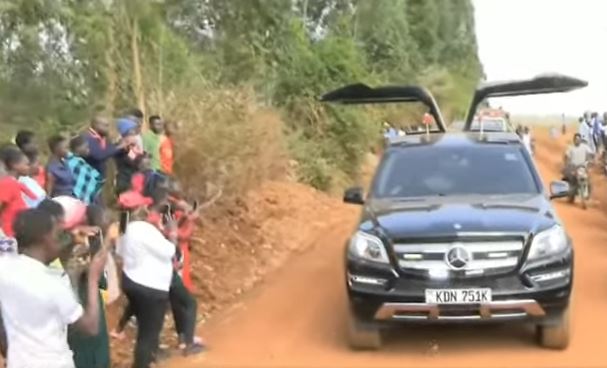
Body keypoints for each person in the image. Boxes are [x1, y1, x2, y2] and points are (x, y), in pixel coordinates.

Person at [0, 208, 107, 368]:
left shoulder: (5, 268)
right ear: (44, 239)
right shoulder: (54, 284)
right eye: (58, 235)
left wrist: (70, 239)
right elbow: (90, 327)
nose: (61, 239)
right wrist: (93, 278)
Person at [117, 191, 176, 368]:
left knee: (145, 330)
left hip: (132, 281)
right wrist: (172, 233)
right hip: (150, 287)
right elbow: (169, 251)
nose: (146, 207)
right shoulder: (143, 229)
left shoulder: (123, 228)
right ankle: (142, 363)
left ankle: (148, 361)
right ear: (139, 208)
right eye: (143, 204)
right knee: (148, 334)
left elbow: (120, 253)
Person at [0, 147, 36, 238]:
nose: (29, 167)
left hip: (21, 231)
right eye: (26, 164)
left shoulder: (18, 183)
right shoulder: (7, 183)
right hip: (10, 234)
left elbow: (34, 199)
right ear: (14, 165)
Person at [66, 135, 104, 205]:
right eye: (86, 147)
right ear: (77, 149)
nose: (88, 149)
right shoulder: (73, 162)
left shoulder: (80, 161)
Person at [114, 119, 145, 195]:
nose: (135, 134)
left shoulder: (133, 145)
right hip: (124, 180)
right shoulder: (120, 146)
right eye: (132, 131)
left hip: (135, 178)